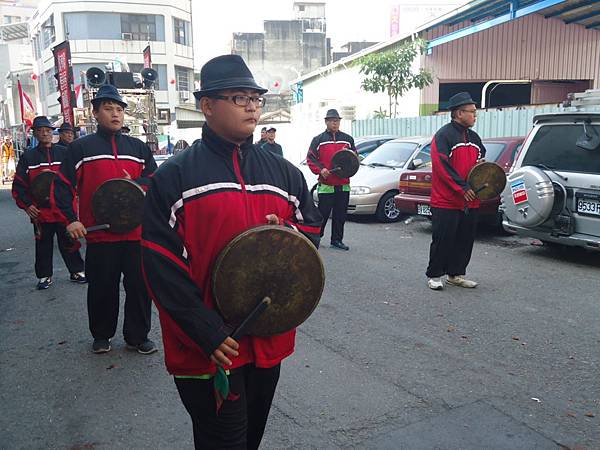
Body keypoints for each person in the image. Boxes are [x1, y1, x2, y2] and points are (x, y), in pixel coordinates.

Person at [141, 54, 322, 450]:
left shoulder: (283, 172)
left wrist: (288, 233)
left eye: (255, 97)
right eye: (239, 97)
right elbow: (160, 263)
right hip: (209, 347)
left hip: (267, 339)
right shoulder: (176, 176)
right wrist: (205, 330)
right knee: (224, 440)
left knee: (250, 435)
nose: (252, 105)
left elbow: (311, 227)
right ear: (208, 106)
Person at [53, 84, 158, 355]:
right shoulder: (80, 148)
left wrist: (135, 183)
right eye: (108, 109)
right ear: (95, 112)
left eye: (119, 109)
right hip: (100, 234)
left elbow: (155, 180)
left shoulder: (137, 148)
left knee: (138, 287)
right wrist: (70, 219)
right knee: (102, 288)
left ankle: (137, 337)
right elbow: (62, 186)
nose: (115, 114)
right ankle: (101, 335)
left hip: (136, 233)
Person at [12, 116, 86, 290]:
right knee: (43, 244)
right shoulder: (28, 157)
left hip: (63, 209)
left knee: (69, 240)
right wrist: (27, 205)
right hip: (41, 211)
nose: (44, 133)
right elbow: (19, 185)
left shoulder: (64, 153)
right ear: (35, 133)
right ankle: (45, 275)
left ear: (52, 132)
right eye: (40, 130)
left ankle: (76, 271)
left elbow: (76, 177)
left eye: (47, 130)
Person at [426, 92, 486, 291]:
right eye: (472, 112)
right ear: (459, 113)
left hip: (471, 200)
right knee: (443, 239)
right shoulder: (443, 135)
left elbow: (480, 162)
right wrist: (462, 188)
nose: (475, 116)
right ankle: (434, 274)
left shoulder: (475, 138)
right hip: (447, 200)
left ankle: (456, 274)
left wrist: (482, 169)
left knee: (464, 240)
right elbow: (442, 166)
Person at [307, 109, 356, 251]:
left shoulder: (348, 139)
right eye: (332, 121)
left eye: (337, 121)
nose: (335, 123)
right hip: (326, 184)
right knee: (322, 214)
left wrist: (352, 164)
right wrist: (321, 170)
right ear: (326, 122)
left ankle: (337, 240)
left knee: (340, 215)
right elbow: (310, 158)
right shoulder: (318, 140)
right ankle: (316, 238)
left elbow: (354, 158)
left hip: (343, 184)